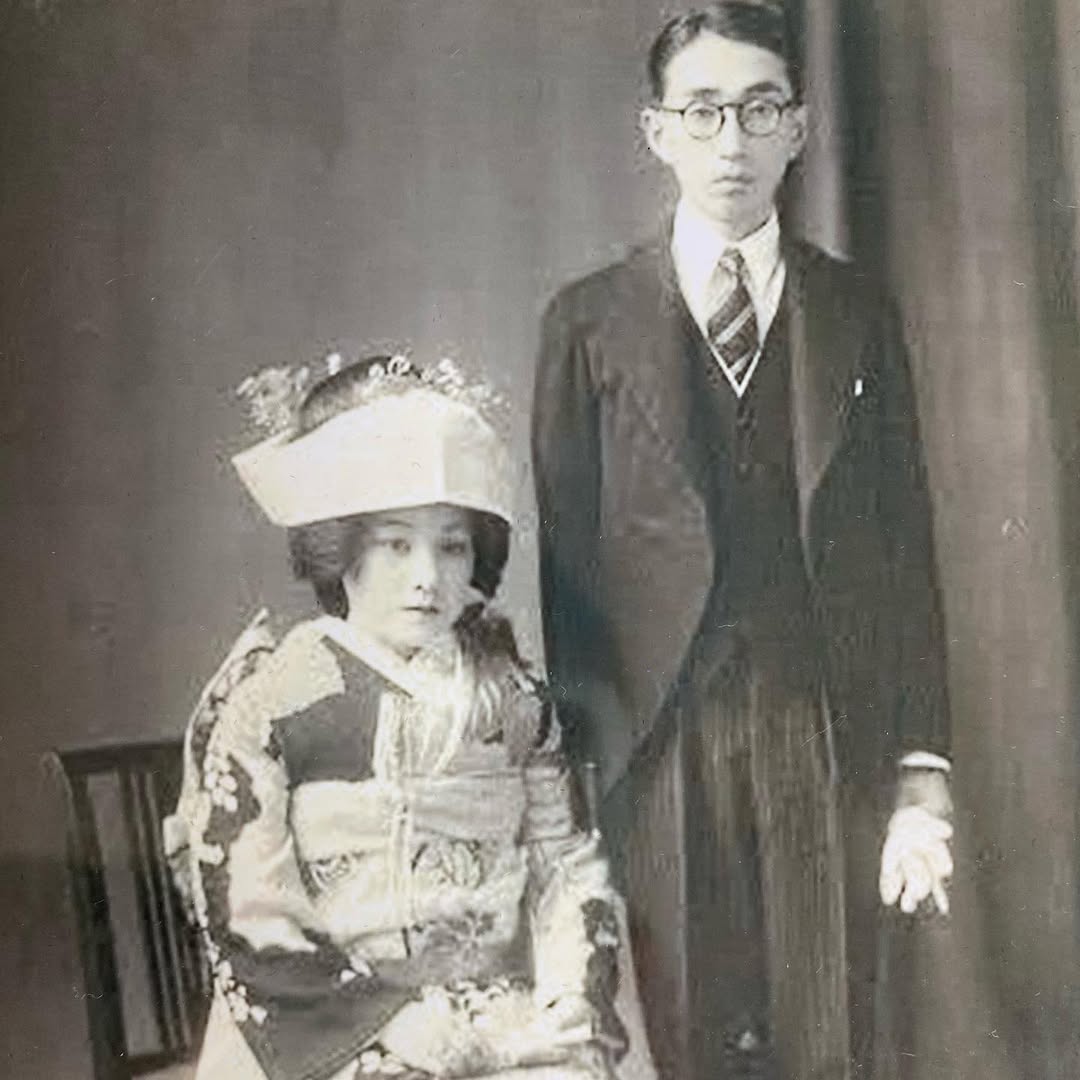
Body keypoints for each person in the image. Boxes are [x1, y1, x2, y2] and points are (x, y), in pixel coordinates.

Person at [531, 5, 953, 1078]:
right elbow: (565, 572)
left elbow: (905, 549)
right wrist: (581, 779)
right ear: (657, 131)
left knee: (831, 1034)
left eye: (761, 110)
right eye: (704, 111)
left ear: (799, 129)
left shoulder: (857, 311)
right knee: (688, 1037)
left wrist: (920, 766)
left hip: (824, 722)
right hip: (657, 741)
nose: (732, 142)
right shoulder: (585, 323)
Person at [164, 354, 656, 1080]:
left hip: (497, 1010)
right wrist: (390, 1023)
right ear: (340, 550)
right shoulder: (273, 700)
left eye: (451, 546)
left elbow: (564, 867)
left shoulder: (514, 698)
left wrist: (565, 994)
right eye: (396, 544)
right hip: (330, 1025)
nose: (427, 577)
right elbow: (250, 913)